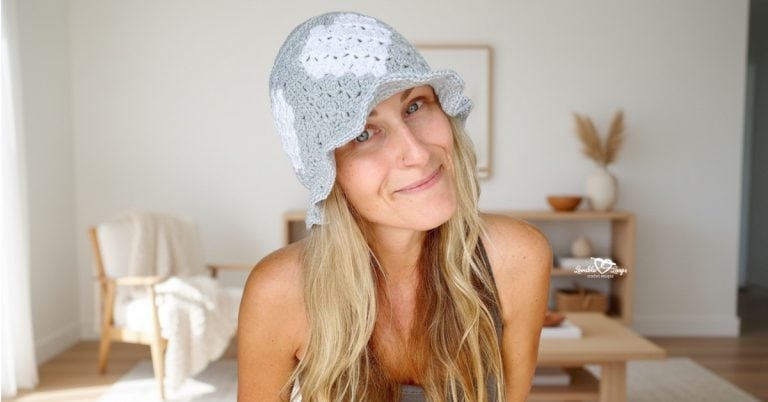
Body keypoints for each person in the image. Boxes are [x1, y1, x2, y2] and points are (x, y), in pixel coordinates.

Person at [238, 11, 552, 402]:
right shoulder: (280, 293)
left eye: (415, 106)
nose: (418, 154)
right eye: (365, 134)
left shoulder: (516, 259)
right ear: (326, 172)